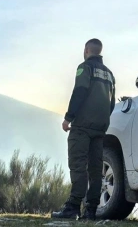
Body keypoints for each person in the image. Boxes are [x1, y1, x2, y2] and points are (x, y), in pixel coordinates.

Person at [51, 38, 116, 221]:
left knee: (78, 165)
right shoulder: (109, 74)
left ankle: (72, 207)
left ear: (86, 50)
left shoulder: (85, 67)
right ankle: (91, 210)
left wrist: (68, 118)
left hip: (82, 126)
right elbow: (111, 103)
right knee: (96, 169)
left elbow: (80, 91)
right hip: (100, 128)